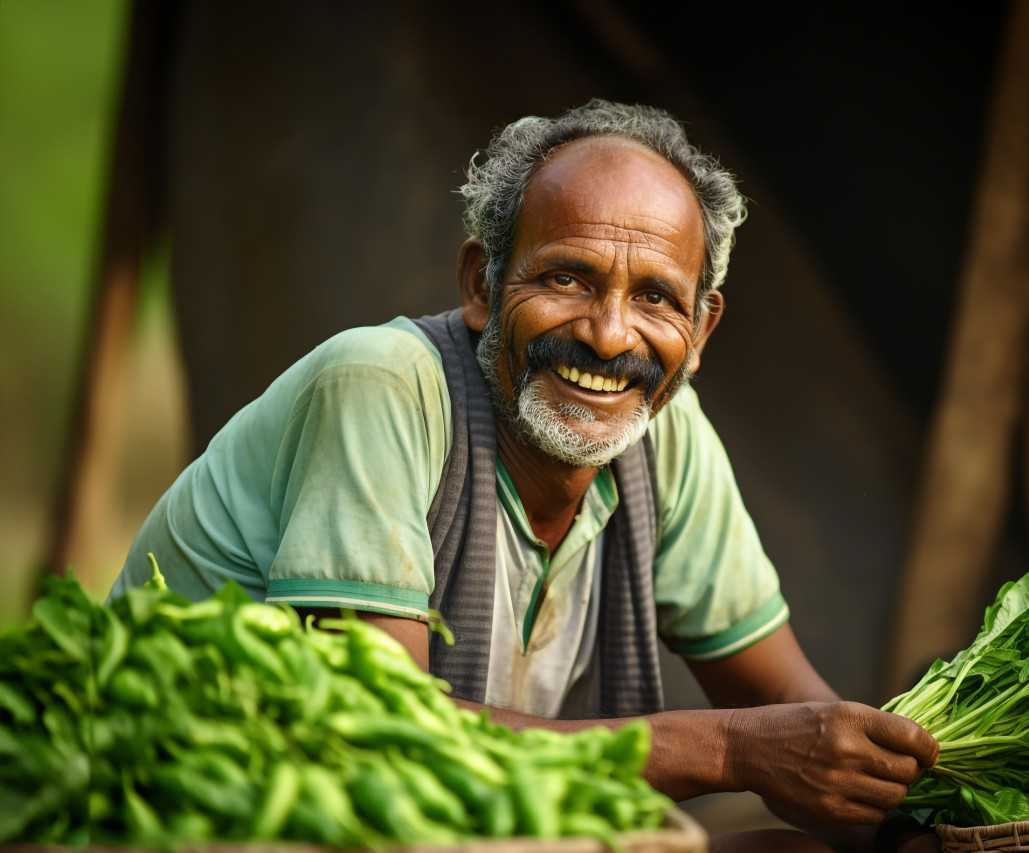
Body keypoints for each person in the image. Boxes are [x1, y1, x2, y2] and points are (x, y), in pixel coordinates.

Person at [110, 99, 939, 851]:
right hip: (203, 811)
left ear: (702, 324)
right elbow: (376, 731)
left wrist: (911, 819)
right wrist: (726, 748)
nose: (612, 337)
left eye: (656, 297)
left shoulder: (667, 435)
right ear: (483, 284)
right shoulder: (381, 385)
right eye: (567, 277)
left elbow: (801, 719)